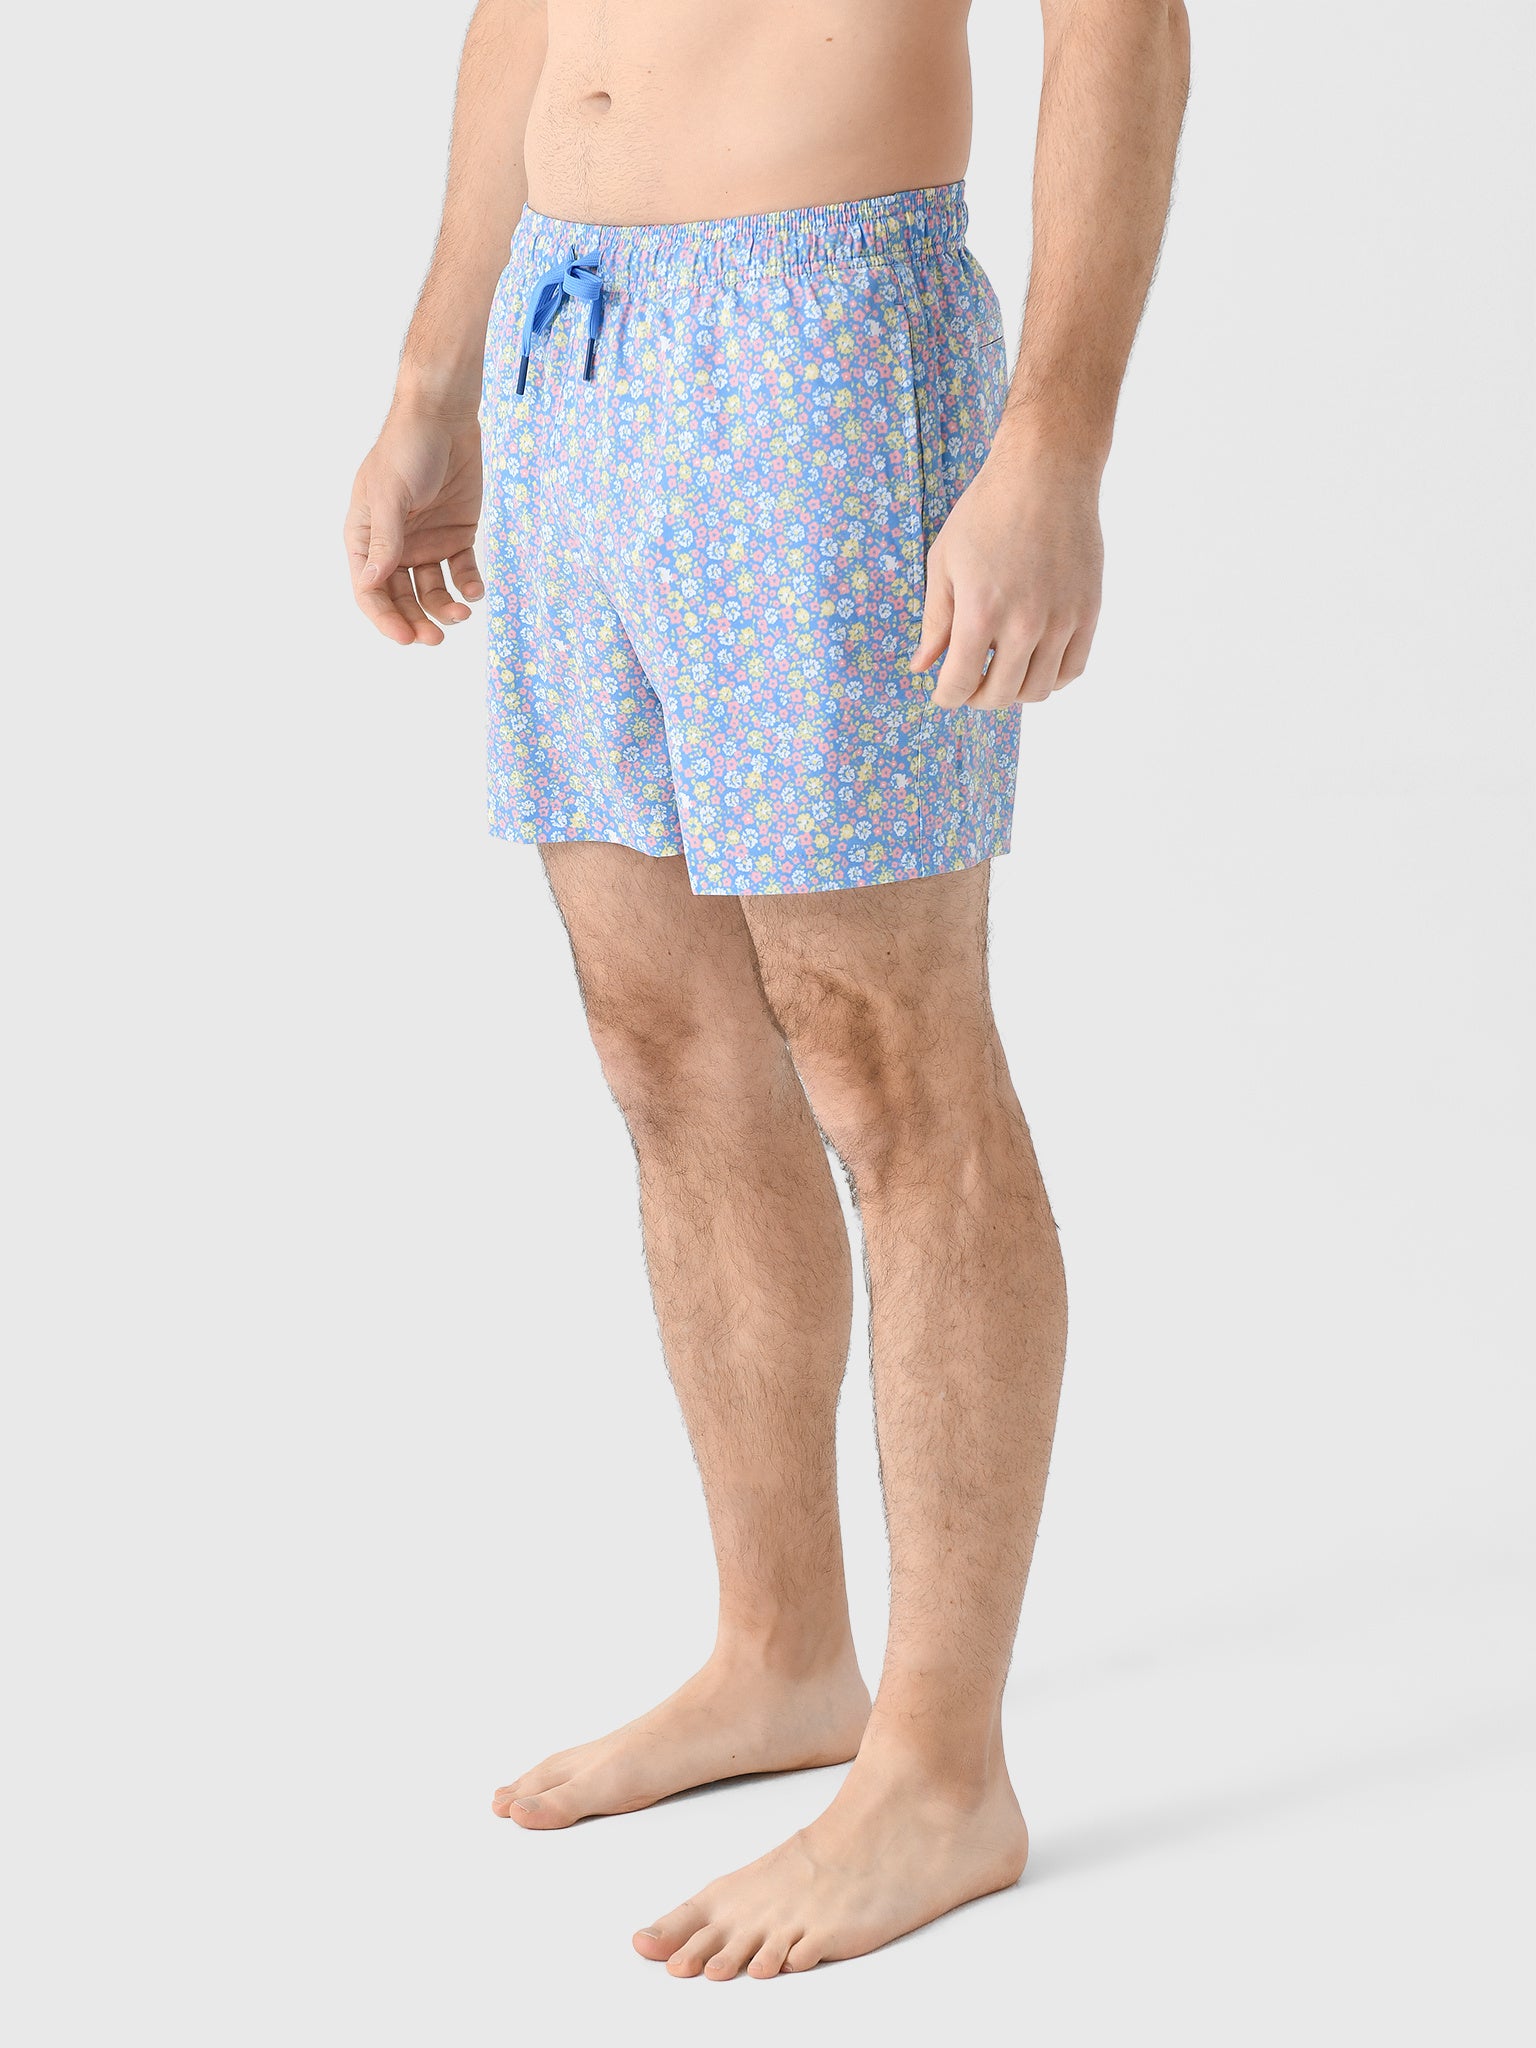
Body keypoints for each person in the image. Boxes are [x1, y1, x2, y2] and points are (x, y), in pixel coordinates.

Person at [344, 0, 1189, 1979]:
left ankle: (943, 1770)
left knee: (888, 1060)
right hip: (572, 337)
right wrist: (431, 375)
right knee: (661, 1042)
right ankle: (780, 1650)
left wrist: (1054, 443)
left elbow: (1124, 28)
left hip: (819, 337)